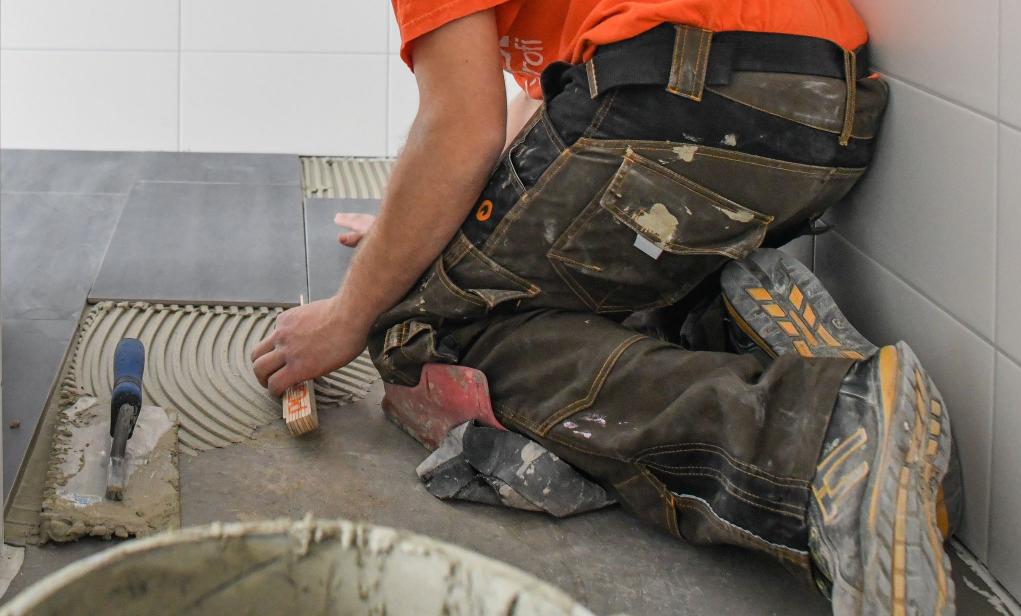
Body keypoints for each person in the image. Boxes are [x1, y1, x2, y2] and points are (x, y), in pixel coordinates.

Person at [251, 2, 961, 613]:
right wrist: (420, 221)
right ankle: (724, 312)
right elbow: (543, 120)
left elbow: (460, 129)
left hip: (676, 99)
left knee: (421, 330)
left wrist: (352, 312)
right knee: (557, 270)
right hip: (823, 119)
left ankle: (815, 438)